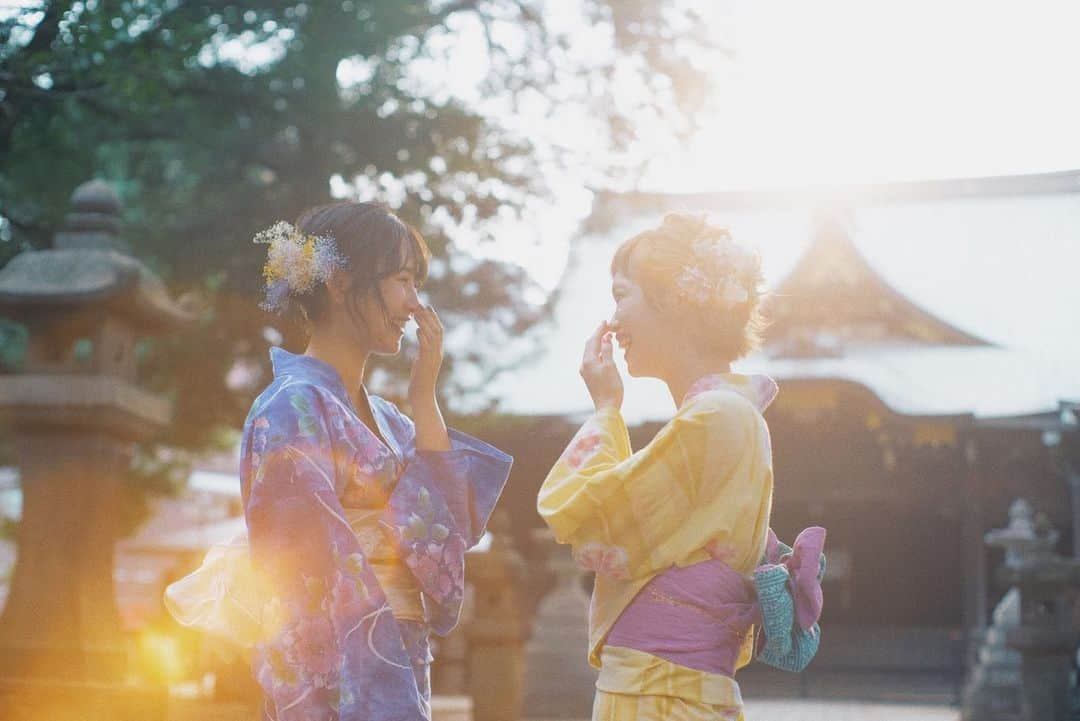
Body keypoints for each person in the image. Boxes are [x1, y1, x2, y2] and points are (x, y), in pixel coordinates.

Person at [166, 201, 513, 721]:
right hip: (339, 678)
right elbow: (304, 574)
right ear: (340, 282)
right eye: (401, 281)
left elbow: (446, 532)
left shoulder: (392, 421)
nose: (414, 304)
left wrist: (425, 399)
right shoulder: (289, 407)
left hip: (399, 654)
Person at [537, 213, 825, 721]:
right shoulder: (725, 415)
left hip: (660, 695)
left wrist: (606, 409)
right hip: (669, 690)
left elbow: (588, 515)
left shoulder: (717, 417)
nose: (613, 320)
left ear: (671, 301)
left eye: (621, 295)